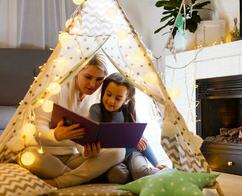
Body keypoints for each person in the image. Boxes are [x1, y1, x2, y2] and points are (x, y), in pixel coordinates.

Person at [22, 54, 125, 188]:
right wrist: (56, 135)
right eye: (88, 77)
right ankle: (85, 176)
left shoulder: (96, 98)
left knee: (119, 151)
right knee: (29, 157)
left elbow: (83, 136)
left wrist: (87, 151)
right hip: (45, 154)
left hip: (72, 157)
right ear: (77, 71)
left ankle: (61, 181)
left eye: (99, 79)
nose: (93, 84)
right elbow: (36, 132)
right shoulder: (54, 89)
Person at [89, 72, 165, 184]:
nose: (111, 101)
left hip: (132, 153)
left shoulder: (128, 113)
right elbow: (103, 138)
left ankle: (171, 176)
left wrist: (156, 163)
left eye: (118, 98)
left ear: (126, 99)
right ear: (103, 92)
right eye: (108, 94)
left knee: (141, 171)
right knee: (117, 176)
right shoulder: (96, 110)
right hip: (112, 158)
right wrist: (131, 139)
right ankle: (133, 175)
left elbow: (142, 140)